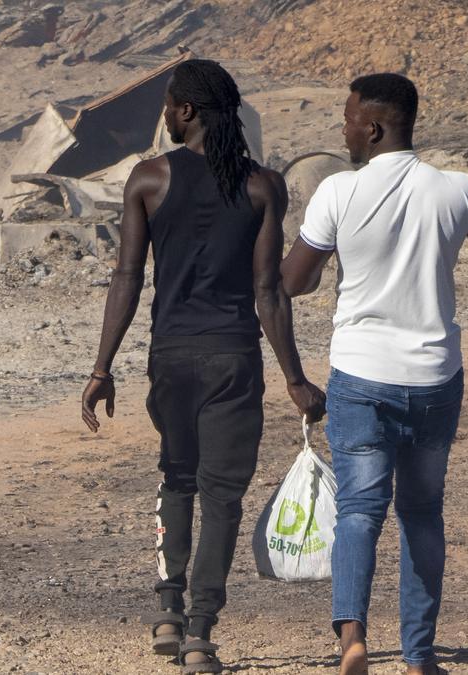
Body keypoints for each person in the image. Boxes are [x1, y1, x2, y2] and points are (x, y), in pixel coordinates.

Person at [81, 59, 326, 674]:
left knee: (177, 477)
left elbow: (127, 278)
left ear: (187, 111)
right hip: (233, 360)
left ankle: (167, 606)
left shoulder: (147, 179)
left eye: (168, 104)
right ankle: (199, 634)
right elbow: (268, 291)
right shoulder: (263, 186)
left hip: (171, 359)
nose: (164, 113)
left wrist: (102, 366)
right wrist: (295, 377)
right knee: (222, 496)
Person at [280, 73, 468, 675]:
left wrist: (325, 264)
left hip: (361, 376)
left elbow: (293, 281)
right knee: (421, 512)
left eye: (347, 119)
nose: (342, 129)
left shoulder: (339, 193)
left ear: (374, 126)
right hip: (436, 377)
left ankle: (354, 642)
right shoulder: (457, 191)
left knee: (360, 510)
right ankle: (419, 656)